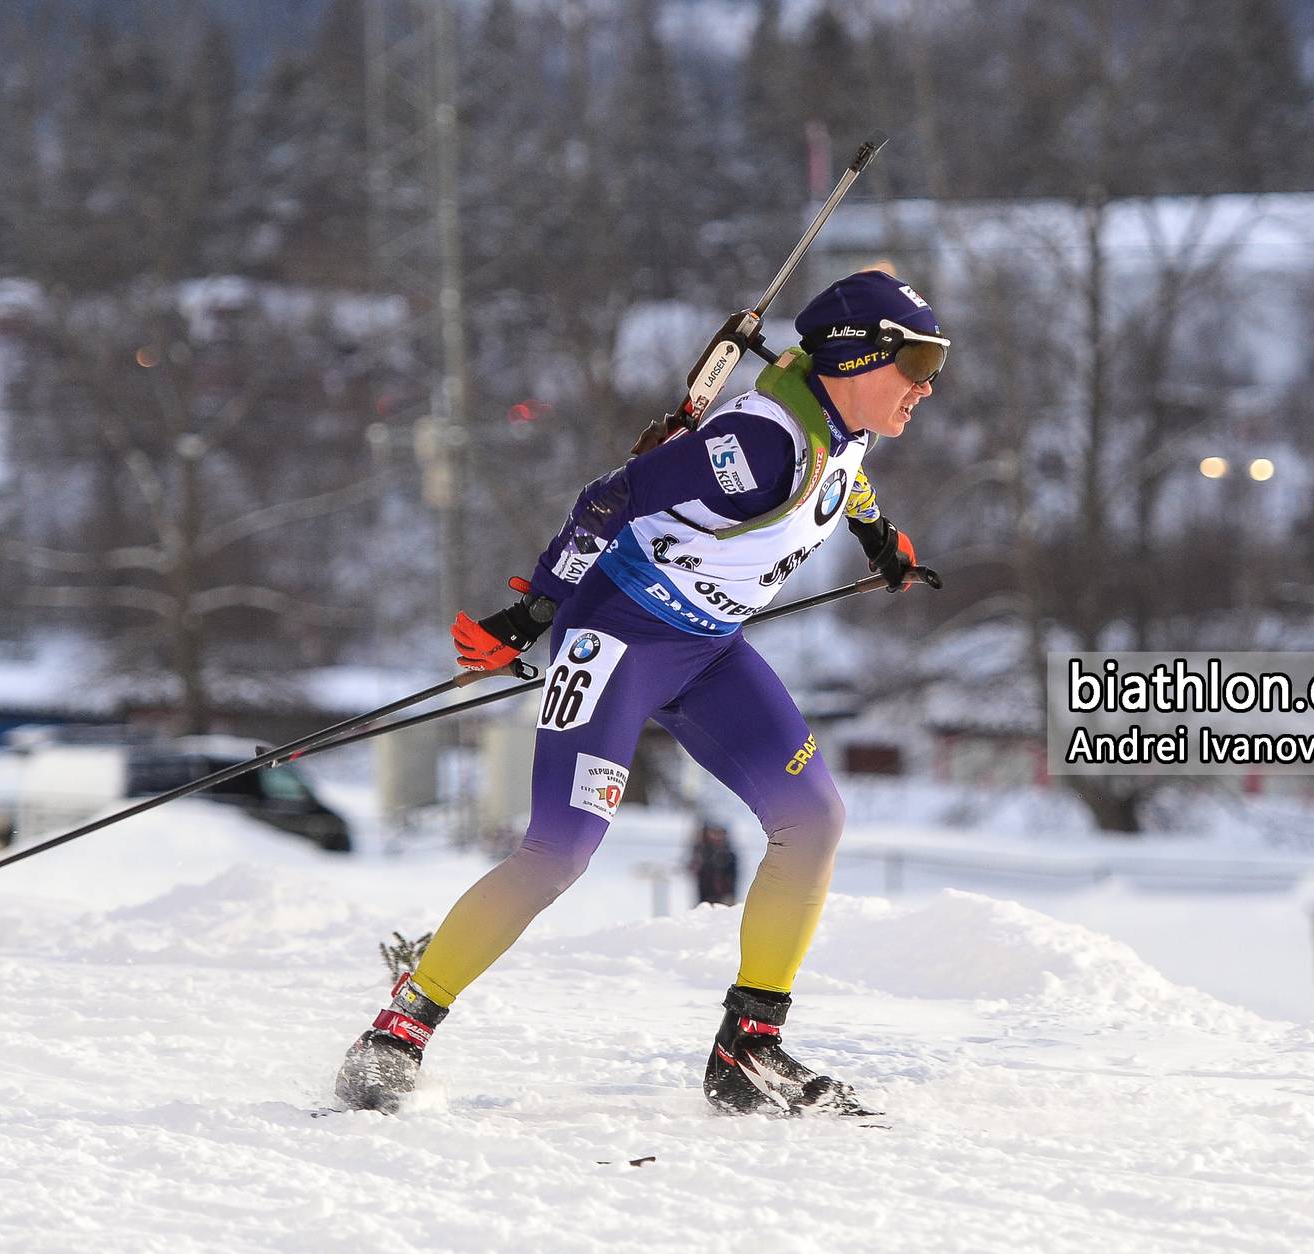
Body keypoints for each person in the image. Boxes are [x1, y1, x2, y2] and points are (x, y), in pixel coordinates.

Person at [334, 269, 948, 1116]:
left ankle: (748, 1051)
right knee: (560, 852)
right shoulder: (763, 450)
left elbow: (849, 475)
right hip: (617, 637)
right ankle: (396, 1032)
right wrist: (532, 611)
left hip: (705, 647)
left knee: (815, 818)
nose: (927, 384)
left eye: (934, 363)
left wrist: (878, 537)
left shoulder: (843, 425)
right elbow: (610, 498)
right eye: (915, 360)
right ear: (853, 358)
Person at [687, 820, 740, 907]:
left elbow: (731, 874)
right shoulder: (703, 851)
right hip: (707, 896)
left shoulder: (728, 853)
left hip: (725, 895)